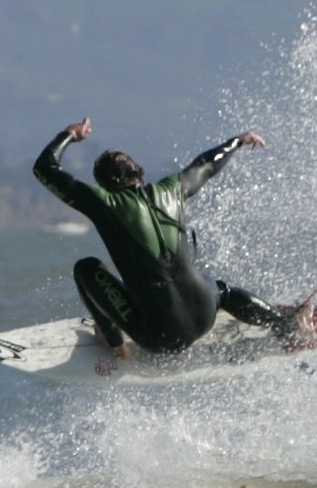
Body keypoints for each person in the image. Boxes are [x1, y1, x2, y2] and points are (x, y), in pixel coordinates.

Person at [34, 117, 302, 367]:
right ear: (139, 172)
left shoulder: (105, 203)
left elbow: (44, 168)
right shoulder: (173, 189)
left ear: (103, 186)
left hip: (160, 337)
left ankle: (114, 343)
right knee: (221, 290)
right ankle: (284, 324)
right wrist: (238, 140)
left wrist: (69, 134)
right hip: (205, 314)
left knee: (86, 268)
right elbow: (206, 164)